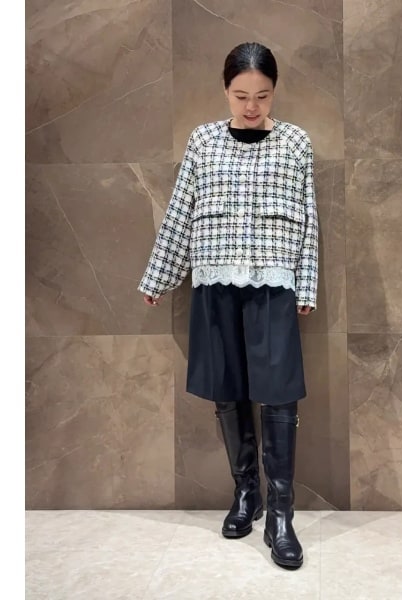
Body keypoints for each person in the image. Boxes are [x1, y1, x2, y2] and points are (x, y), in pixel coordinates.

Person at [138, 42, 318, 570]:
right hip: (215, 280)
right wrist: (159, 276)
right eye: (241, 95)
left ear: (274, 92)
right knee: (227, 388)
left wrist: (306, 286)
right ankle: (247, 494)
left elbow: (309, 219)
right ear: (225, 90)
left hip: (274, 282)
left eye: (262, 95)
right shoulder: (203, 141)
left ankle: (281, 515)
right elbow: (180, 212)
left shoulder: (295, 143)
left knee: (279, 394)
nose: (251, 106)